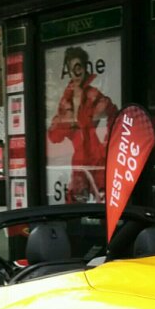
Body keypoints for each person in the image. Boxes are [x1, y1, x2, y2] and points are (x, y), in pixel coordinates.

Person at [48, 46, 118, 202]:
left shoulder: (93, 95)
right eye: (72, 69)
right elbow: (54, 136)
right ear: (68, 71)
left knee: (104, 203)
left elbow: (114, 115)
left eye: (79, 67)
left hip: (97, 159)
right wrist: (65, 121)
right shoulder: (66, 100)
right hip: (79, 161)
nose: (76, 73)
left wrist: (108, 143)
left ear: (85, 68)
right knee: (75, 205)